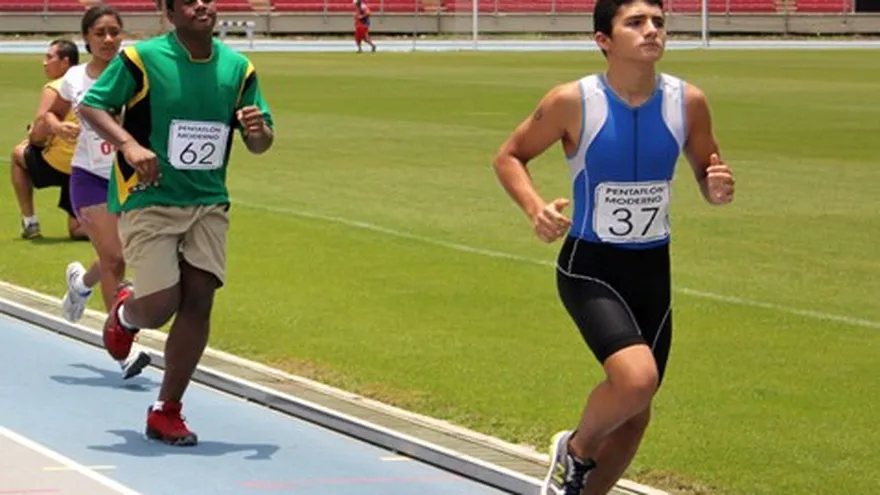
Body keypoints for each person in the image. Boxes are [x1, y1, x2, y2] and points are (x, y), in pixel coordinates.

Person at [491, 0, 735, 493]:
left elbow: (709, 172)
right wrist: (536, 208)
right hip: (591, 267)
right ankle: (576, 449)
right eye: (636, 23)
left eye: (659, 22)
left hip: (652, 271)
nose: (652, 31)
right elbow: (509, 157)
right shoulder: (572, 101)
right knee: (636, 380)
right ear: (604, 40)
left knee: (635, 419)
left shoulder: (688, 102)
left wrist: (717, 187)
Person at [78, 0, 274, 446]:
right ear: (169, 12)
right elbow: (92, 107)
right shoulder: (141, 58)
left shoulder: (239, 68)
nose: (202, 5)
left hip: (207, 200)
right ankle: (126, 314)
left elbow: (260, 142)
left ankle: (167, 410)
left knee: (201, 296)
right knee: (162, 305)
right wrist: (128, 146)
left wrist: (258, 129)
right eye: (188, 0)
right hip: (150, 196)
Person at [44, 5, 152, 380]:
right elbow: (50, 114)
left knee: (115, 256)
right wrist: (59, 128)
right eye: (100, 33)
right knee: (116, 258)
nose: (108, 40)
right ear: (86, 38)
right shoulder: (73, 78)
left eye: (114, 32)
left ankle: (80, 283)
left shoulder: (137, 72)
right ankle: (121, 345)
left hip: (129, 177)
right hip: (89, 177)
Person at [10, 39, 87, 241]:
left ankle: (30, 222)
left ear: (65, 62)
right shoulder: (88, 80)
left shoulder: (54, 87)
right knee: (77, 230)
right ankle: (117, 230)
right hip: (87, 165)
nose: (45, 63)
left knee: (18, 155)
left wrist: (31, 138)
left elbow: (39, 134)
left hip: (60, 164)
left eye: (49, 57)